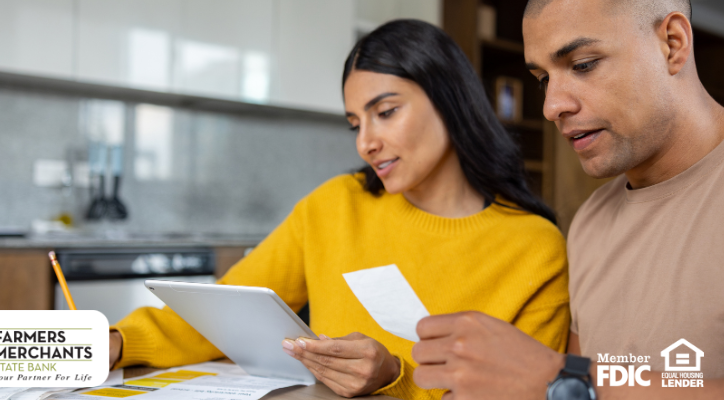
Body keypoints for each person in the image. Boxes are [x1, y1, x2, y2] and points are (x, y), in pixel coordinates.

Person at [109, 20, 570, 400]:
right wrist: (113, 342)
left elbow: (526, 391)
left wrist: (395, 375)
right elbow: (222, 315)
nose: (366, 142)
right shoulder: (335, 204)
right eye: (355, 123)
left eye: (385, 112)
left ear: (449, 101)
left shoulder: (533, 247)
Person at [411, 0, 724, 398]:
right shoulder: (589, 221)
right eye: (543, 78)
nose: (552, 107)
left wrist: (559, 378)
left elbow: (575, 382)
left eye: (583, 64)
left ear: (673, 44)